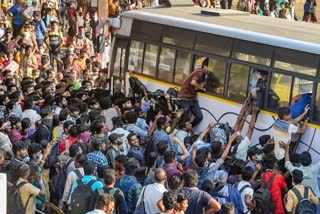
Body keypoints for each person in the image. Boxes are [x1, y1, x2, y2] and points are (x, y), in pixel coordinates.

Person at [178, 57, 208, 127]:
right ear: (204, 66)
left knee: (199, 117)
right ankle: (182, 130)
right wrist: (201, 88)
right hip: (185, 97)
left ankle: (189, 127)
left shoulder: (203, 74)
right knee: (185, 118)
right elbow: (193, 82)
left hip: (192, 98)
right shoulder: (200, 72)